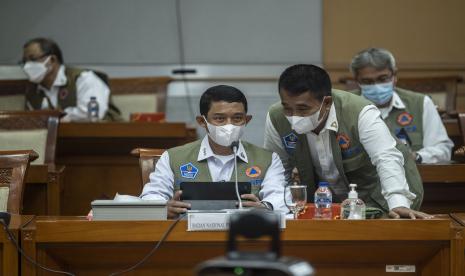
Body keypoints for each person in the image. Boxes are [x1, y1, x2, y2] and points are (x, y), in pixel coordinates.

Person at [264, 64, 431, 219]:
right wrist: (275, 207)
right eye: (287, 108)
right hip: (326, 203)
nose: (294, 117)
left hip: (378, 195)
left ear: (326, 103)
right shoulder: (276, 117)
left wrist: (398, 202)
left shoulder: (360, 111)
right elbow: (277, 169)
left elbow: (386, 157)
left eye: (303, 109)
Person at [141, 85, 287, 218]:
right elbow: (151, 195)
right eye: (219, 118)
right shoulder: (173, 157)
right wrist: (164, 207)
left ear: (246, 120)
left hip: (245, 238)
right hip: (187, 238)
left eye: (237, 118)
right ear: (202, 121)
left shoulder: (268, 159)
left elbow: (280, 199)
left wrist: (266, 207)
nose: (229, 125)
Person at [349, 48, 453, 164]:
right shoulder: (346, 106)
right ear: (357, 81)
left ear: (394, 76)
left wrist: (416, 156)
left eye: (383, 79)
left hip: (412, 176)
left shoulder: (421, 103)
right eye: (367, 81)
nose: (376, 86)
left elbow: (442, 149)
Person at [21, 37, 120, 121]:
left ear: (52, 60)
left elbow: (92, 114)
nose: (27, 66)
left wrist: (56, 118)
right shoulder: (32, 90)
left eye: (33, 59)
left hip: (102, 137)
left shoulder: (83, 78)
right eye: (25, 61)